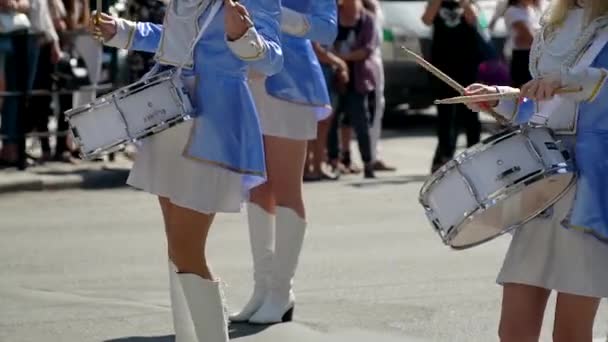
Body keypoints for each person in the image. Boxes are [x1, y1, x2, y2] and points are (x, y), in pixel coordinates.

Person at [90, 0, 283, 340]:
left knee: (186, 248)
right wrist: (125, 31)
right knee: (176, 246)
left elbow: (272, 60)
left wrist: (242, 36)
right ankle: (187, 336)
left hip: (214, 122)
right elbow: (179, 42)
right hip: (166, 114)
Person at [464, 0, 608, 340]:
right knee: (514, 331)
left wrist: (569, 79)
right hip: (542, 182)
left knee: (570, 335)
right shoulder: (556, 24)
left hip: (591, 188)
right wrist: (499, 98)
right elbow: (540, 106)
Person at [229, 0, 337, 324]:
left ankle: (281, 291)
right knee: (257, 188)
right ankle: (262, 288)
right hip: (248, 84)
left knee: (287, 189)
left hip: (291, 84)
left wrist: (278, 16)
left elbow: (327, 29)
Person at [422, 0, 482, 173]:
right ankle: (444, 157)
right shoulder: (437, 3)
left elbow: (474, 19)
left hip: (467, 65)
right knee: (445, 114)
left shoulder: (469, 3)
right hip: (442, 65)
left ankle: (474, 155)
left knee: (471, 113)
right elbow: (426, 20)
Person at [328, 0, 378, 179]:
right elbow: (324, 42)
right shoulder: (332, 14)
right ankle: (334, 161)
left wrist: (341, 58)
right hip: (334, 77)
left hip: (358, 78)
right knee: (331, 122)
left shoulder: (367, 19)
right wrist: (337, 63)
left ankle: (368, 162)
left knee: (361, 121)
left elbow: (367, 50)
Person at [362, 0, 395, 172]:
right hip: (365, 61)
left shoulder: (375, 4)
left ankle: (375, 154)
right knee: (370, 110)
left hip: (374, 58)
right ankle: (369, 157)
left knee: (377, 109)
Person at [503, 0, 542, 88]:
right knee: (522, 91)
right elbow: (529, 37)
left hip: (534, 54)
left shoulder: (532, 10)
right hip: (521, 57)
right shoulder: (512, 11)